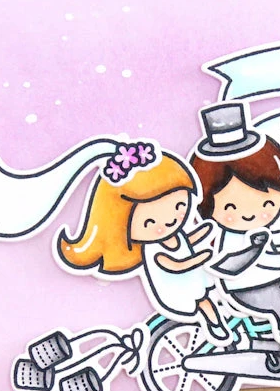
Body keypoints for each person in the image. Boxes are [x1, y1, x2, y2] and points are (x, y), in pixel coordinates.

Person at [58, 146, 230, 342]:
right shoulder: (152, 248)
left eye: (179, 206)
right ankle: (215, 325)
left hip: (194, 280)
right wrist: (199, 258)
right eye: (150, 222)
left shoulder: (174, 235)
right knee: (204, 303)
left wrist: (203, 233)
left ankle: (219, 321)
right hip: (179, 290)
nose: (170, 221)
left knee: (213, 295)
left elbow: (185, 242)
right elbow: (174, 265)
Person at [190, 102, 280, 348]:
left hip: (274, 276)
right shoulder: (233, 239)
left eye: (267, 202)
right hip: (245, 287)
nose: (249, 214)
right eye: (230, 207)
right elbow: (247, 260)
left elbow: (271, 241)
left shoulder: (259, 233)